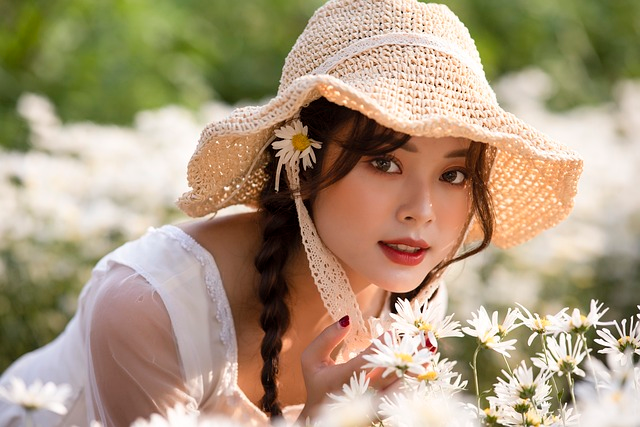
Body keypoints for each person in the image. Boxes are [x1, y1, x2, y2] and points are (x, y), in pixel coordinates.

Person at [0, 0, 583, 425]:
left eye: (453, 175)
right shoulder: (150, 307)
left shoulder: (413, 298)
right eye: (384, 162)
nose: (422, 213)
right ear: (302, 163)